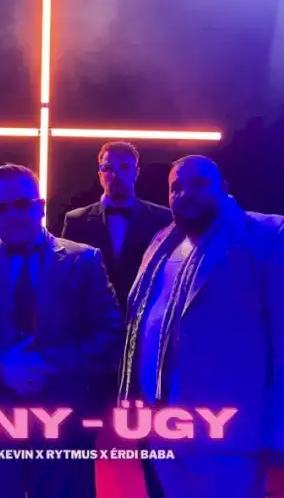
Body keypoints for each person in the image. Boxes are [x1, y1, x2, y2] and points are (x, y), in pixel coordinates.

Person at [0, 163, 123, 498]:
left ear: (41, 206)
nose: (12, 215)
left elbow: (110, 335)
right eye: (1, 208)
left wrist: (45, 363)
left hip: (64, 423)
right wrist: (0, 364)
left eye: (22, 204)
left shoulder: (84, 261)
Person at [120, 155, 284, 498]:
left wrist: (278, 433)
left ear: (224, 188)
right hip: (160, 429)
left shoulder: (268, 235)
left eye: (199, 184)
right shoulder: (161, 242)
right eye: (176, 188)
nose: (185, 194)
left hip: (229, 438)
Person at [61, 141, 171, 311]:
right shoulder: (76, 220)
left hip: (145, 315)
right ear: (100, 175)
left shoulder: (162, 219)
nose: (115, 174)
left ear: (136, 173)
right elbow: (67, 276)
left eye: (124, 167)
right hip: (92, 318)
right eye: (108, 168)